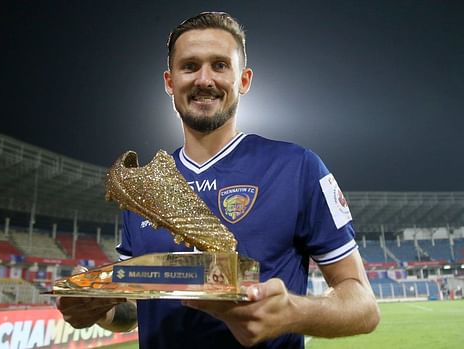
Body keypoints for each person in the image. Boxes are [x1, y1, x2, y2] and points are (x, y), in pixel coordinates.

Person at [57, 12, 380, 348]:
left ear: (244, 80)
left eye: (220, 65)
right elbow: (135, 310)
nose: (205, 79)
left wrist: (294, 313)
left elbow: (364, 306)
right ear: (170, 82)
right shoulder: (144, 189)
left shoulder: (298, 167)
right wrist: (99, 311)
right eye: (190, 66)